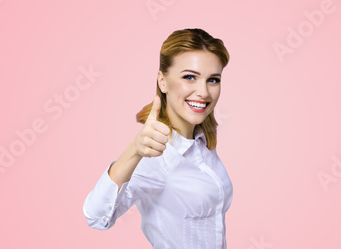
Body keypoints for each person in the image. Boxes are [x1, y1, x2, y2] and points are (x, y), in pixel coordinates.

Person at [83, 28, 233, 248]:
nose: (203, 92)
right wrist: (133, 150)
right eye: (189, 77)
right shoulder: (156, 155)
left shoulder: (202, 141)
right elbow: (96, 217)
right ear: (162, 82)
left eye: (213, 80)